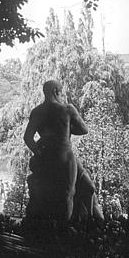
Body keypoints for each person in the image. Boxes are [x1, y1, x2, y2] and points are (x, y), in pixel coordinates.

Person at [23, 79, 92, 225]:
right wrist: (67, 129)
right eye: (61, 93)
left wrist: (38, 151)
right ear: (56, 92)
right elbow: (84, 129)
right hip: (64, 156)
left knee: (47, 193)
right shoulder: (67, 109)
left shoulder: (37, 111)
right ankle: (64, 228)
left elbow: (28, 137)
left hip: (46, 157)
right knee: (68, 193)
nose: (62, 96)